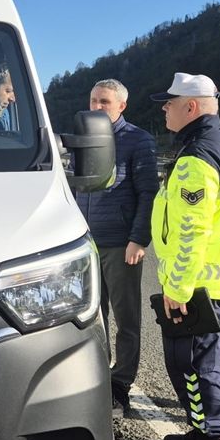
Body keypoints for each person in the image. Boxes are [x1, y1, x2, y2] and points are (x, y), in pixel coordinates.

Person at [150, 72, 220, 440]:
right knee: (210, 362)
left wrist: (178, 288)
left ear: (191, 107)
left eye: (169, 103)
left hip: (197, 287)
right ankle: (203, 432)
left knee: (192, 367)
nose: (164, 110)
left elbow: (192, 231)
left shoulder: (195, 158)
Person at [73, 80, 158, 418]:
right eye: (93, 100)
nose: (97, 107)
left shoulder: (138, 140)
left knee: (126, 319)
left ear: (122, 106)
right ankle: (96, 376)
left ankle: (120, 384)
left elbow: (149, 193)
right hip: (86, 243)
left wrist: (138, 239)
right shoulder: (83, 137)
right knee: (92, 316)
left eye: (105, 102)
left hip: (121, 244)